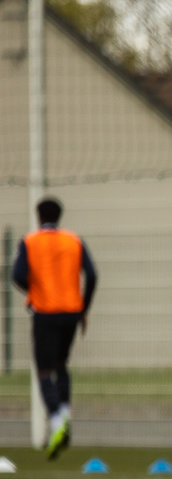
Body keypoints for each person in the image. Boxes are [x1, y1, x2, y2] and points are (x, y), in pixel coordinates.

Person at [10, 197, 97, 461]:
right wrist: (83, 309)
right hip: (71, 312)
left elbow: (16, 275)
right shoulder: (74, 240)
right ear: (60, 216)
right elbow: (92, 276)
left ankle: (58, 422)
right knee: (61, 364)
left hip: (45, 313)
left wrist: (34, 294)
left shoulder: (30, 241)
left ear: (38, 216)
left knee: (44, 370)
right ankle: (66, 415)